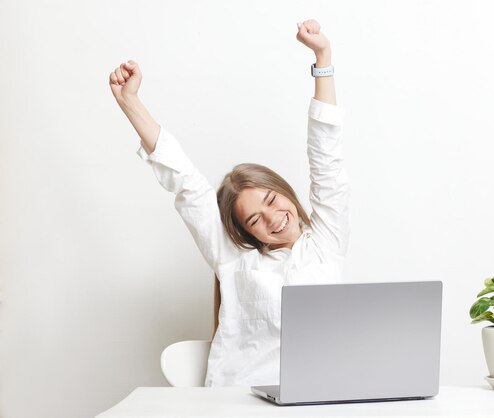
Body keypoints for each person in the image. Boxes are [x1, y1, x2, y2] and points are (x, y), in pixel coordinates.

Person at [108, 19, 348, 387]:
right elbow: (186, 183)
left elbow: (326, 157)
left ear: (284, 191)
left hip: (325, 397)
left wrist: (323, 57)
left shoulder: (325, 243)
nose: (273, 218)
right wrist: (130, 102)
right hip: (240, 400)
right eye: (254, 219)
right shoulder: (234, 258)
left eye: (271, 199)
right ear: (246, 233)